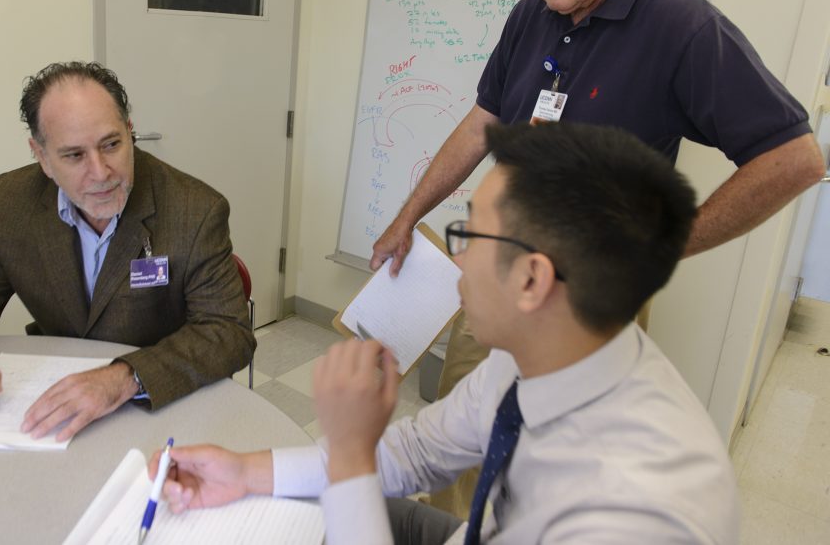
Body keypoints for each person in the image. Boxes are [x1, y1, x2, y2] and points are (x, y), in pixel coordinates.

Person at [370, 0, 825, 514]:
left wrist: (659, 249)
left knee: (554, 458)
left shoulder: (681, 27)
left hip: (590, 296)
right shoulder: (531, 16)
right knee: (462, 433)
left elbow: (794, 158)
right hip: (504, 271)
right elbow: (481, 125)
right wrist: (407, 216)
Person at [149, 122, 739, 544]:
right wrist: (246, 471)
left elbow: (373, 461)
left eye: (469, 236)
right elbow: (419, 451)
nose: (457, 261)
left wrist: (352, 451)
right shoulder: (542, 354)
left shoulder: (634, 514)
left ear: (533, 280)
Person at [0, 61, 254, 441]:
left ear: (130, 132)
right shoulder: (12, 202)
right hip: (54, 407)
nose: (101, 173)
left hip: (154, 406)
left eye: (112, 144)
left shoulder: (195, 209)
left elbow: (228, 332)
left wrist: (124, 377)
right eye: (73, 155)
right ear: (41, 156)